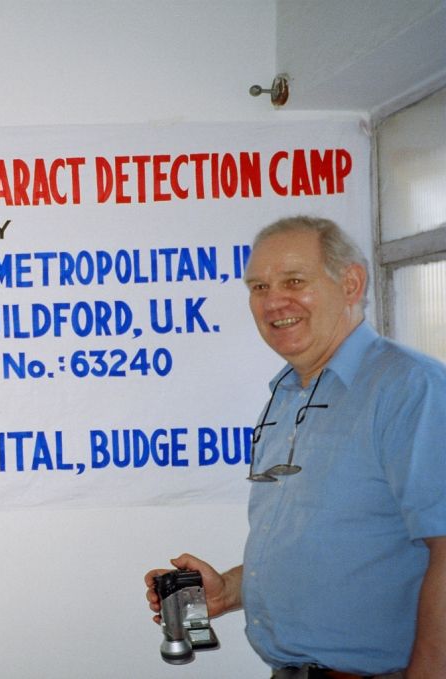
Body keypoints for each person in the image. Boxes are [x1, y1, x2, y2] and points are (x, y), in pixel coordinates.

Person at [144, 216, 446, 679]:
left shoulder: (411, 388)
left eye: (294, 281)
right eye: (259, 286)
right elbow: (335, 545)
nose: (273, 301)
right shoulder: (289, 396)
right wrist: (228, 588)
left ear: (350, 283)